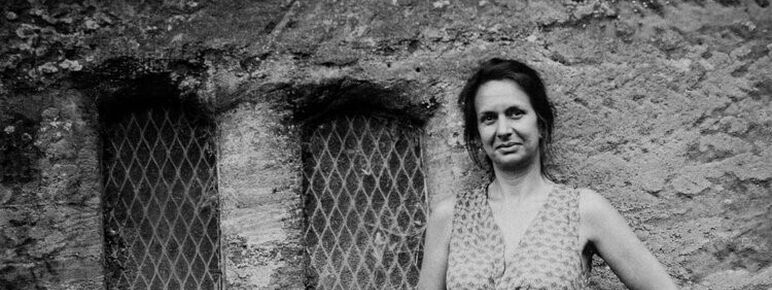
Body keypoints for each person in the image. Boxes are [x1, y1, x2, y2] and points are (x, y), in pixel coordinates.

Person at [417, 58, 677, 289]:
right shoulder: (450, 217)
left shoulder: (582, 210)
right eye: (489, 118)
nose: (503, 129)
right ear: (478, 134)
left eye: (515, 113)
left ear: (540, 124)